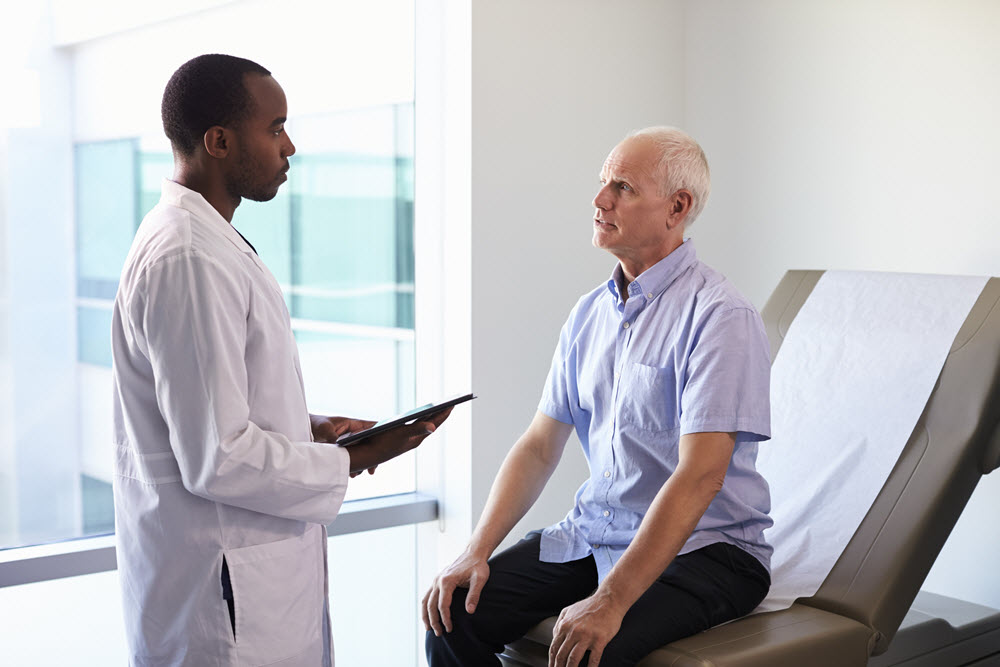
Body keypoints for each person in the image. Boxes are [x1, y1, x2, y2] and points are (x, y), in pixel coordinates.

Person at [111, 53, 448, 666]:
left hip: (244, 581)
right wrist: (350, 459)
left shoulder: (204, 241)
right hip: (223, 604)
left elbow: (207, 407)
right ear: (217, 141)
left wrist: (307, 427)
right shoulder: (189, 258)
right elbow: (218, 456)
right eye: (275, 128)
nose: (289, 145)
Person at [423, 127, 772, 667]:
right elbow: (540, 446)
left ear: (676, 207)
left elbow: (701, 473)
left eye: (623, 187)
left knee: (592, 652)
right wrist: (476, 551)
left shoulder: (720, 316)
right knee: (452, 616)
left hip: (708, 552)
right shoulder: (589, 313)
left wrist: (610, 601)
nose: (599, 200)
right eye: (603, 183)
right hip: (597, 533)